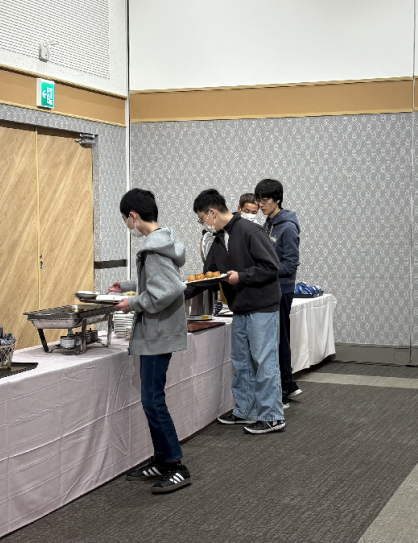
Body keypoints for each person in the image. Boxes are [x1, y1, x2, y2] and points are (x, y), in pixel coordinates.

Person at [110, 188, 191, 493]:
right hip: (158, 332)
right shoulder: (163, 241)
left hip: (157, 333)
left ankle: (176, 465)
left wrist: (131, 303)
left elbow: (169, 289)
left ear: (133, 215)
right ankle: (161, 459)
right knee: (151, 399)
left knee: (153, 400)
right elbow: (160, 280)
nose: (127, 225)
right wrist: (129, 285)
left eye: (125, 220)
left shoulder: (152, 248)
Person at [186, 189, 286, 434]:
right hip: (239, 308)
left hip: (262, 306)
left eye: (202, 218)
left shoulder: (250, 231)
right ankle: (245, 410)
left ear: (212, 213)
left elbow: (271, 267)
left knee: (264, 361)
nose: (203, 223)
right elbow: (208, 276)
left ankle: (272, 416)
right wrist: (178, 292)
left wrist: (241, 276)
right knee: (241, 363)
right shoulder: (218, 239)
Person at [255, 178, 302, 406]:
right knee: (278, 338)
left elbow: (291, 264)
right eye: (259, 200)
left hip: (282, 289)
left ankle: (283, 389)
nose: (260, 205)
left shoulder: (288, 227)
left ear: (277, 200)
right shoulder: (268, 223)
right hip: (270, 289)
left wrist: (265, 271)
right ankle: (289, 384)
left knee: (279, 340)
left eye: (265, 200)